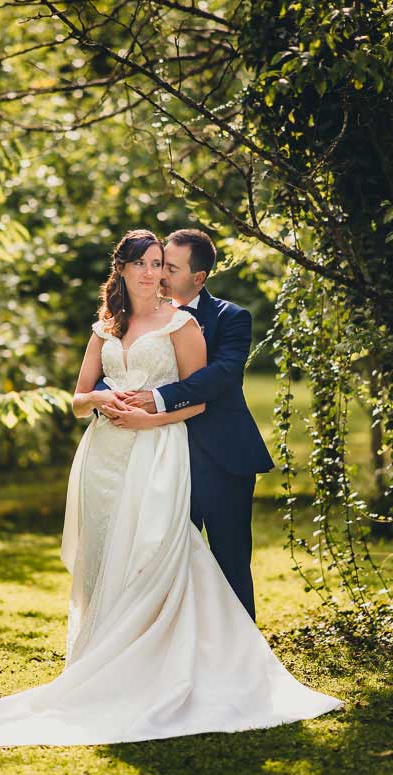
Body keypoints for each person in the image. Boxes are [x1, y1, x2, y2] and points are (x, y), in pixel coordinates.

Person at [0, 230, 342, 748]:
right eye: (144, 263)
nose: (153, 273)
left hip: (168, 451)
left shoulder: (195, 322)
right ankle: (111, 661)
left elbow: (209, 390)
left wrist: (149, 413)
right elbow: (79, 397)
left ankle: (223, 661)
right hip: (106, 456)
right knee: (112, 556)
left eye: (161, 264)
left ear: (183, 273)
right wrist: (103, 400)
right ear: (121, 268)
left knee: (183, 555)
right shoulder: (106, 327)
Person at [103, 228, 273, 621]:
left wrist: (158, 398)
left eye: (170, 268)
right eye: (159, 263)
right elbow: (114, 360)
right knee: (164, 559)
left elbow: (223, 376)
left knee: (230, 559)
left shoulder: (231, 318)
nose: (159, 274)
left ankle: (239, 646)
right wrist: (108, 398)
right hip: (160, 456)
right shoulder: (143, 315)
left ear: (198, 277)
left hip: (221, 457)